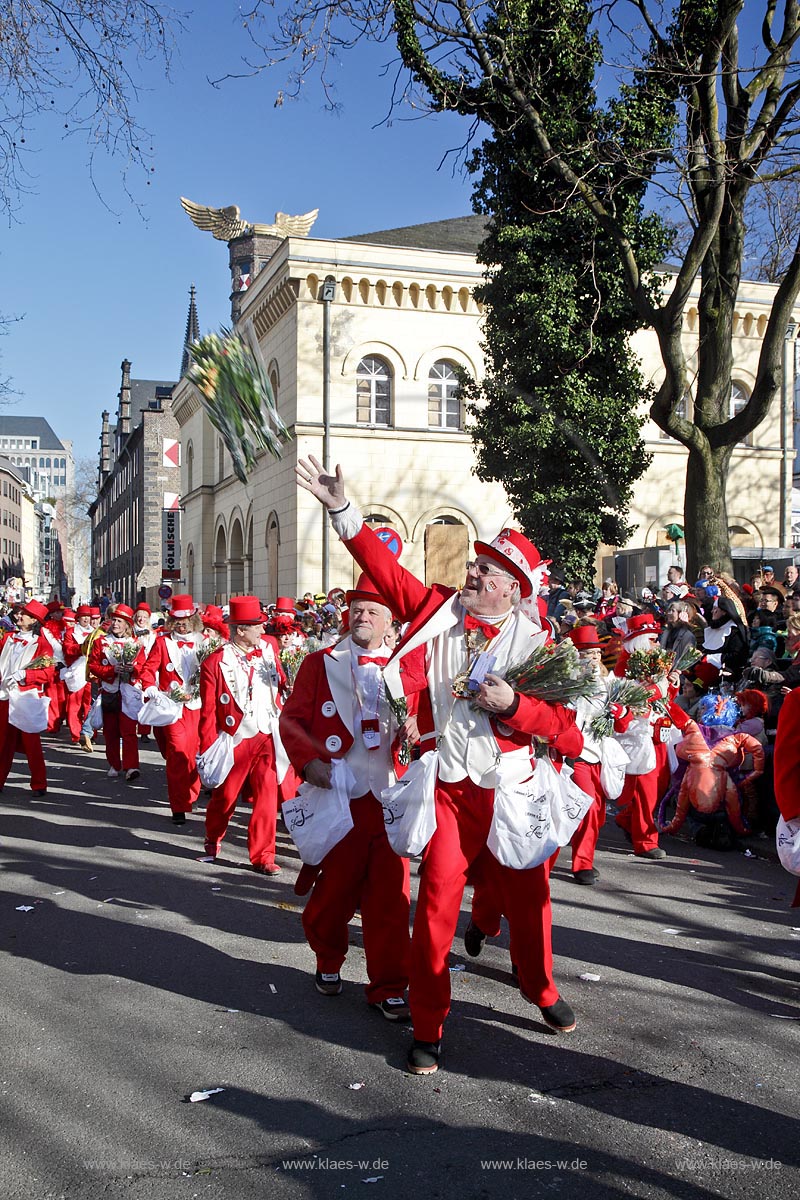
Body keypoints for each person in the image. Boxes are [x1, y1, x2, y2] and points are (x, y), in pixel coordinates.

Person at [296, 455, 584, 1076]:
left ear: (514, 588)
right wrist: (341, 509)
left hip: (509, 792)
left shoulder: (539, 648)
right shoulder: (436, 612)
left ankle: (540, 988)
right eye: (476, 563)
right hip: (449, 791)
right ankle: (428, 1024)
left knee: (531, 906)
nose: (474, 571)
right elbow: (382, 568)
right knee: (433, 912)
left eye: (488, 568)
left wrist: (518, 708)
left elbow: (568, 734)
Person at [279, 573, 412, 1017]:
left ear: (390, 620)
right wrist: (306, 760)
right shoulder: (320, 663)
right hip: (341, 796)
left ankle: (389, 983)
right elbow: (291, 720)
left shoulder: (408, 664)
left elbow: (432, 720)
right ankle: (328, 957)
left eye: (373, 611)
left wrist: (421, 729)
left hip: (392, 798)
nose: (362, 617)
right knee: (334, 894)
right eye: (356, 609)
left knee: (390, 899)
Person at [198, 594, 287, 873]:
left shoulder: (270, 647)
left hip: (268, 733)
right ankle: (213, 837)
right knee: (225, 797)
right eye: (257, 625)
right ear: (241, 630)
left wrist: (289, 684)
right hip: (236, 736)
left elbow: (280, 681)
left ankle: (264, 855)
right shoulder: (215, 662)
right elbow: (208, 712)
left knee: (267, 796)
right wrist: (208, 749)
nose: (264, 629)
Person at [139, 595, 205, 825]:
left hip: (198, 705)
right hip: (173, 705)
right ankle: (178, 805)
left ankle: (191, 794)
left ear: (194, 619)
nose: (182, 623)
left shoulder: (204, 641)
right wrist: (150, 687)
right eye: (178, 620)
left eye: (186, 619)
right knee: (177, 752)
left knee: (195, 753)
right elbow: (148, 668)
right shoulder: (162, 642)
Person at [0, 599, 57, 796]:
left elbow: (48, 673)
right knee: (2, 743)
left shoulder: (41, 644)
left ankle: (39, 783)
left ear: (33, 620)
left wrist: (26, 675)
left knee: (32, 743)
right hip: (4, 697)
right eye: (19, 613)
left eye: (23, 614)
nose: (18, 616)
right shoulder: (7, 638)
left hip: (26, 698)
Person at [87, 604, 146, 781]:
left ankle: (131, 766)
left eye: (119, 621)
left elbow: (143, 666)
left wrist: (132, 669)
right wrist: (112, 670)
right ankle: (114, 763)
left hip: (129, 693)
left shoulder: (135, 644)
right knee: (111, 731)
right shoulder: (101, 642)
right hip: (110, 692)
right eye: (114, 620)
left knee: (129, 731)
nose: (115, 624)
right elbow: (93, 666)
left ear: (128, 624)